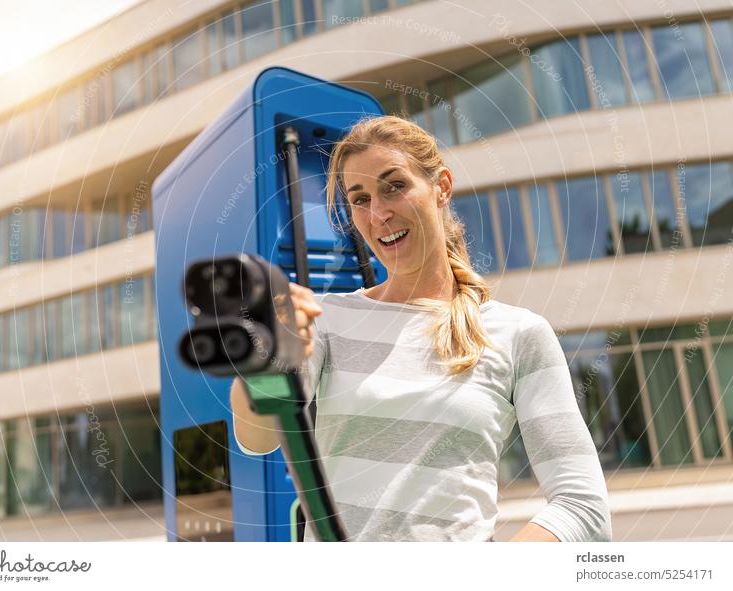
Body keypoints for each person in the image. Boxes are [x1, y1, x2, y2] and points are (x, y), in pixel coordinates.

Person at [230, 114, 612, 542]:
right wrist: (265, 356)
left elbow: (583, 506)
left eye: (395, 186)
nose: (379, 213)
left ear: (442, 187)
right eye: (359, 199)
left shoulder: (518, 333)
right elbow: (256, 438)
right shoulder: (326, 319)